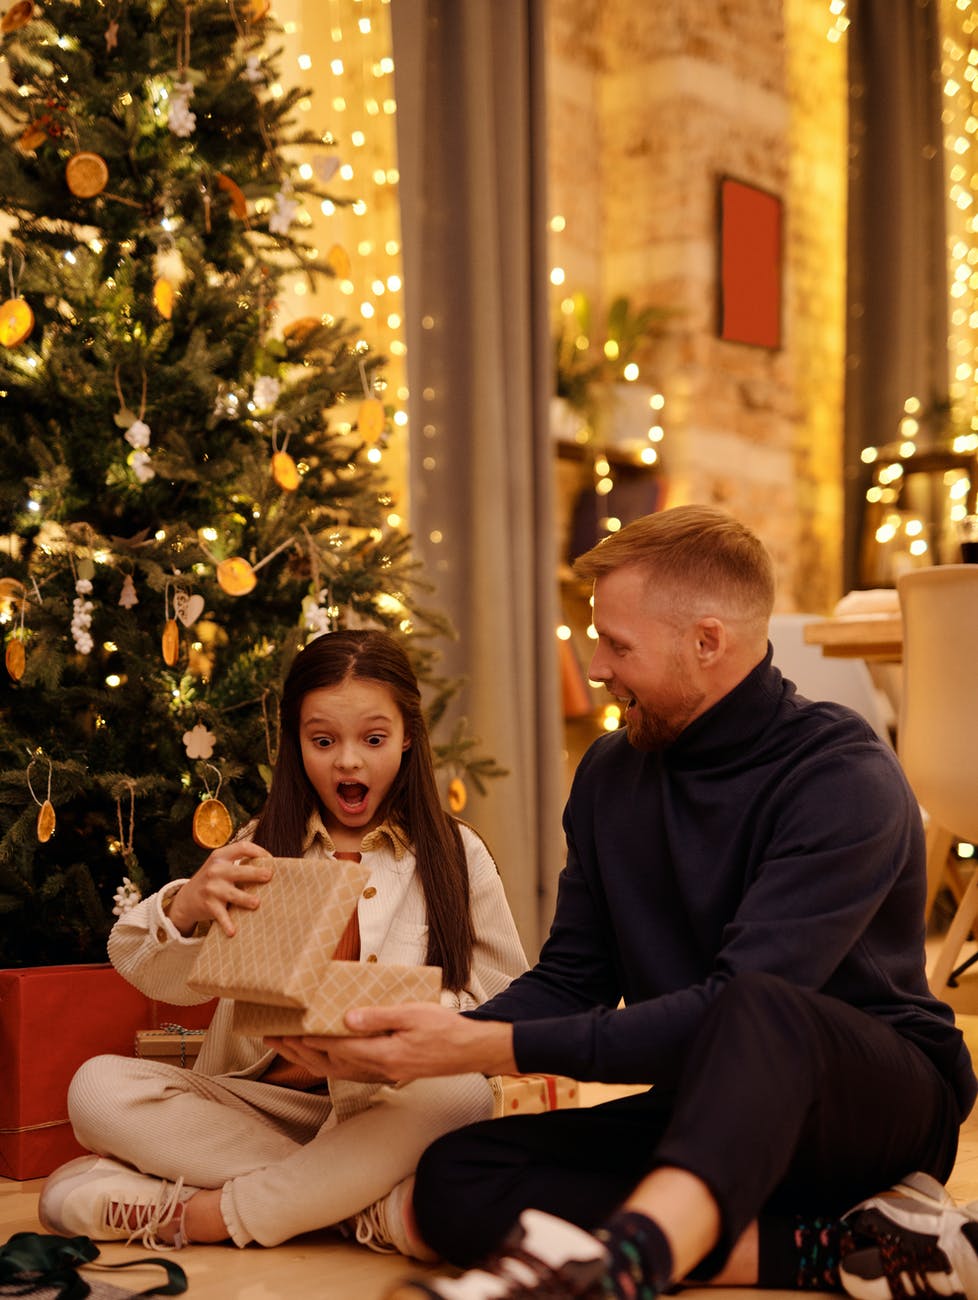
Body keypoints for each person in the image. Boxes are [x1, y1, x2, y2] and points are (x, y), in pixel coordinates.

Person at [274, 506, 978, 1300]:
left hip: (873, 1107)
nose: (597, 664)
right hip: (712, 1110)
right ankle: (843, 1247)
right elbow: (574, 975)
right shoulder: (611, 774)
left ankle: (630, 1262)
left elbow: (729, 1013)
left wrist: (476, 1050)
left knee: (755, 1005)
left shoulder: (840, 776)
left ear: (706, 643)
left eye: (616, 643)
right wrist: (438, 1034)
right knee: (457, 1179)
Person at [37, 628, 527, 1255]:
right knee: (98, 1088)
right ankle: (360, 1205)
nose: (348, 762)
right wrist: (186, 906)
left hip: (391, 1102)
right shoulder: (260, 845)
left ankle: (198, 1215)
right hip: (262, 1103)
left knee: (458, 1093)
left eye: (373, 739)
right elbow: (148, 972)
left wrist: (418, 1022)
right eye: (323, 741)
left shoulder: (458, 854)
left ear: (409, 737)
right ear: (297, 744)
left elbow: (507, 1000)